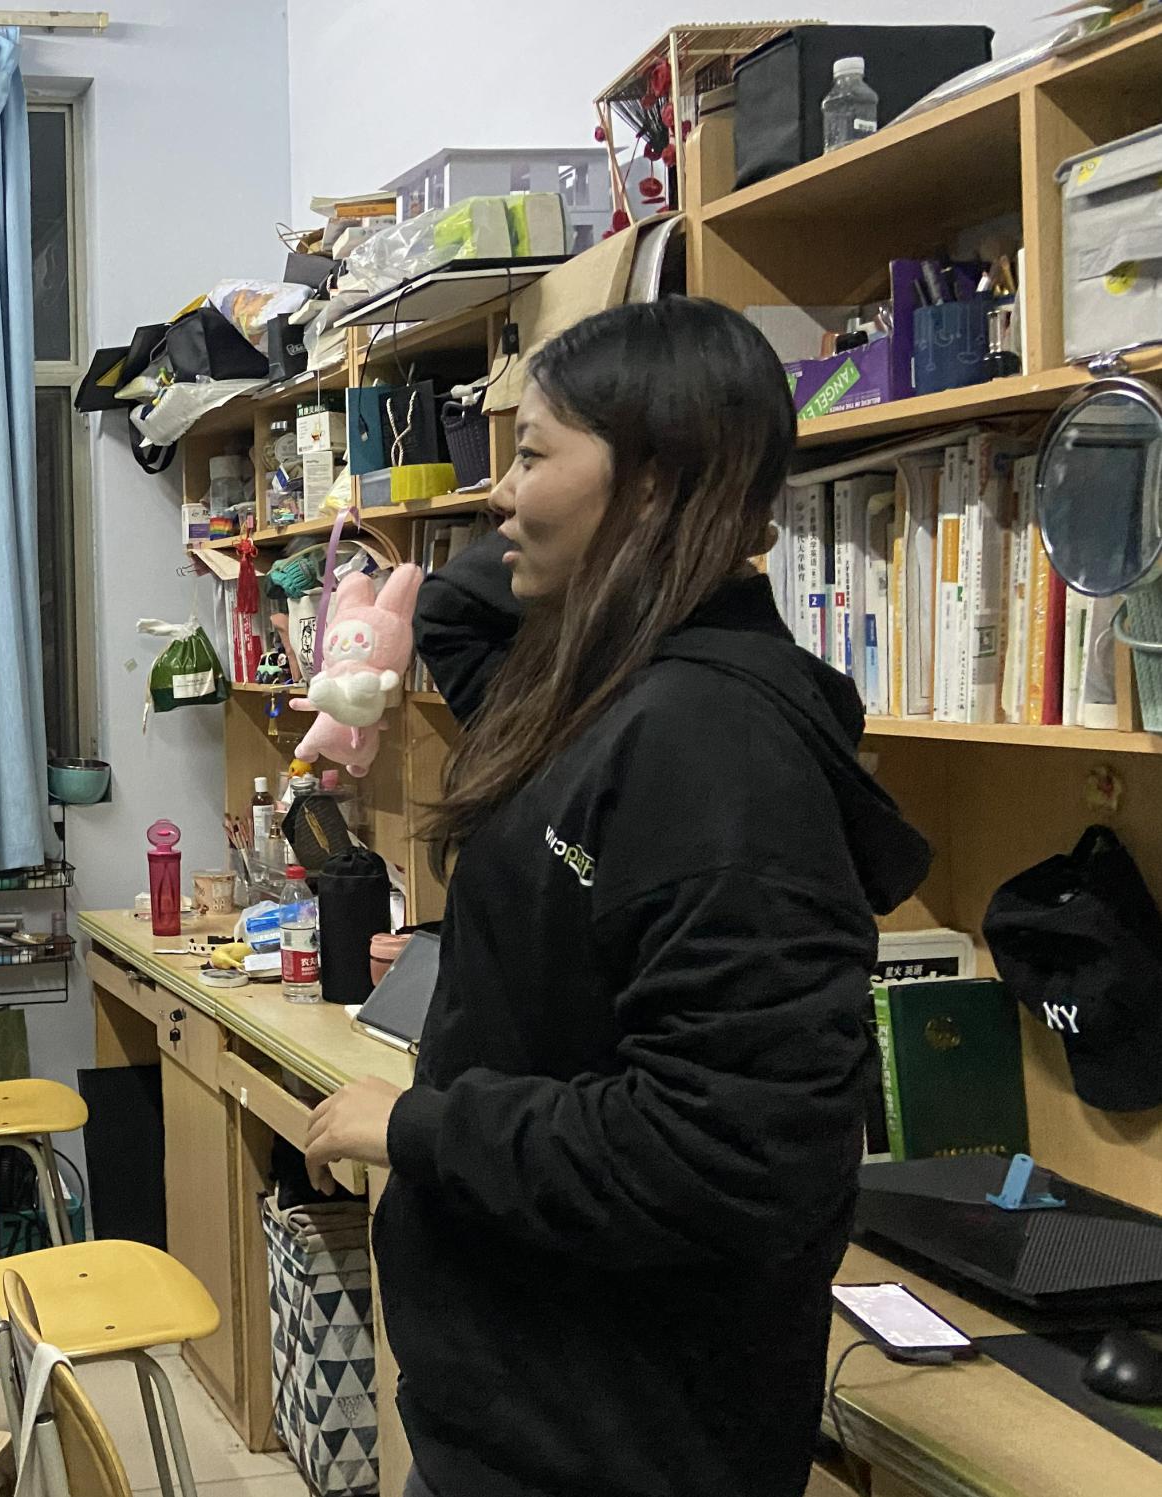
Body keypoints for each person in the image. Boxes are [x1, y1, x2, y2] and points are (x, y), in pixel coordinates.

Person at [303, 299, 931, 1497]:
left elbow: (725, 1150)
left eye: (533, 454)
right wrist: (610, 540)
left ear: (651, 481)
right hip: (524, 1416)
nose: (499, 495)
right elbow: (458, 610)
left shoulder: (711, 748)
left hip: (620, 1447)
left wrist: (420, 1127)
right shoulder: (598, 690)